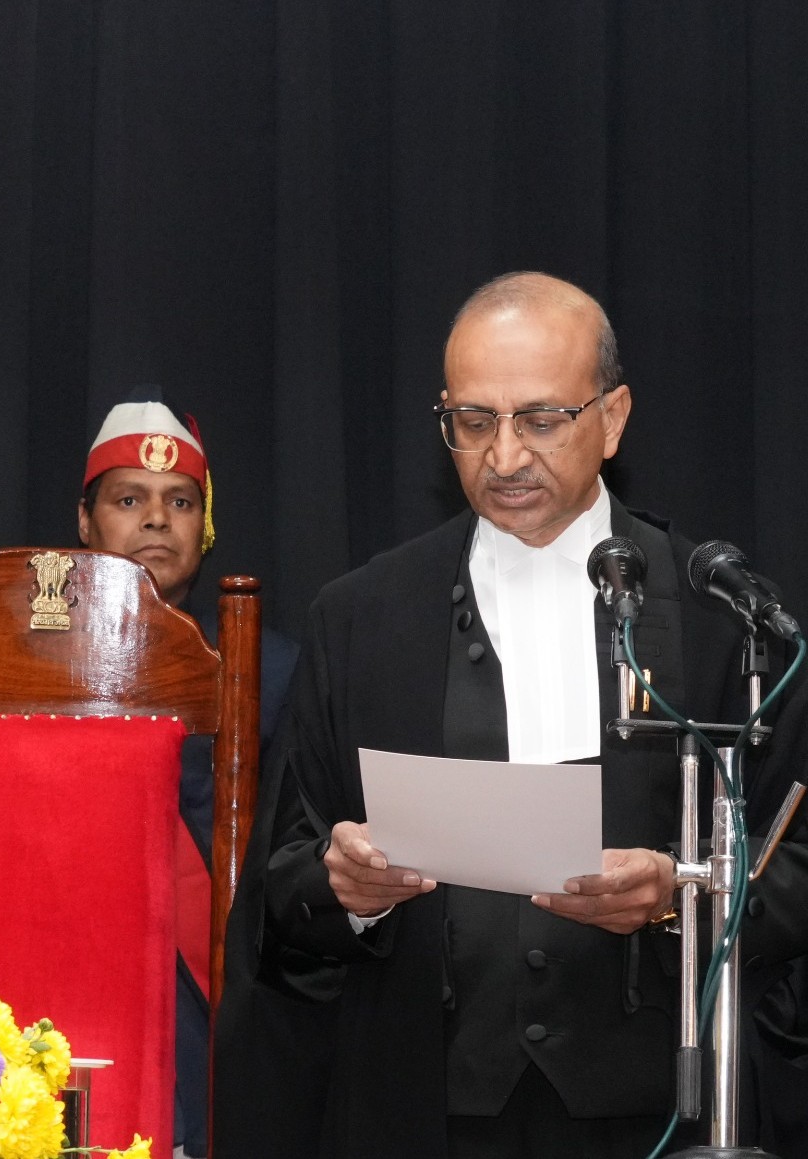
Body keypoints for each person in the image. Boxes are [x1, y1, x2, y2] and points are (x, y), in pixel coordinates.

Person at [252, 271, 808, 1156]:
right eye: (473, 423)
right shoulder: (361, 615)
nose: (505, 456)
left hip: (661, 1109)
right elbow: (281, 890)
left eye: (541, 419)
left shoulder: (720, 616)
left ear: (614, 417)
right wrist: (344, 891)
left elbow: (796, 871)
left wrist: (679, 894)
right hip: (420, 1112)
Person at [72, 392, 299, 1158]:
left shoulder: (275, 669)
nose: (157, 519)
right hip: (77, 971)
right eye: (128, 498)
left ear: (204, 527)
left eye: (180, 501)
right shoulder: (16, 663)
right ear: (85, 522)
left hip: (213, 993)